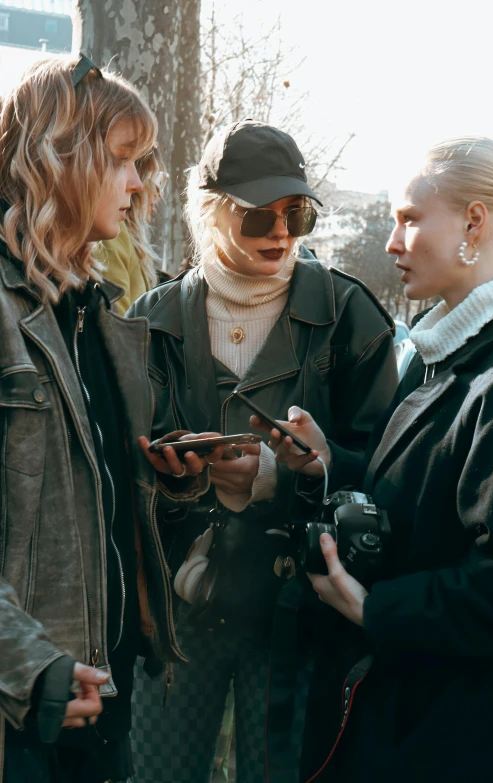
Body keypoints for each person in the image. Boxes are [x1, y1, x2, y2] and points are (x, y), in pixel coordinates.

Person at [128, 119, 398, 783]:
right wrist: (175, 477)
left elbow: (391, 478)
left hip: (298, 613)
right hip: (177, 611)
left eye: (298, 213)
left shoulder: (349, 316)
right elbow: (110, 474)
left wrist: (291, 473)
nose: (282, 232)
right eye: (260, 218)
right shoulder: (150, 319)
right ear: (213, 214)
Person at [264, 137, 493, 783]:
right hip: (402, 709)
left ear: (474, 221)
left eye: (409, 218)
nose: (391, 241)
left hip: (454, 732)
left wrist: (373, 608)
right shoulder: (443, 347)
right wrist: (330, 465)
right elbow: (423, 497)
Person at [0, 53, 215, 783]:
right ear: (57, 157)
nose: (139, 184)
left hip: (102, 708)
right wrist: (33, 674)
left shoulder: (103, 318)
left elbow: (103, 528)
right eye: (123, 160)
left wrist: (172, 485)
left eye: (143, 163)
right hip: (22, 721)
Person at [94, 149, 166, 314]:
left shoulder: (128, 237)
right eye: (157, 179)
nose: (159, 193)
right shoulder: (112, 235)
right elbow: (119, 318)